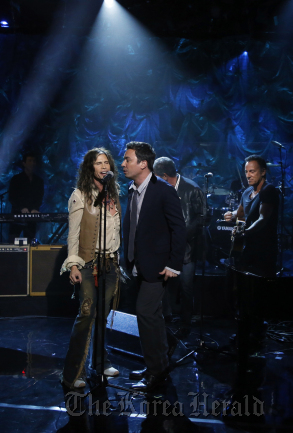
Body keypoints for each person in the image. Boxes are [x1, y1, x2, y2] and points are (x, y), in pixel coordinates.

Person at [121, 142, 186, 390]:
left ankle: (156, 370)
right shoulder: (132, 189)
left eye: (128, 160)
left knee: (146, 314)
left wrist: (173, 264)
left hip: (158, 267)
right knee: (153, 317)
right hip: (139, 264)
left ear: (143, 163)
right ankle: (157, 366)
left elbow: (178, 229)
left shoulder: (163, 190)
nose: (123, 164)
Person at [60, 148, 122, 390]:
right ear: (90, 168)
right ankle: (73, 372)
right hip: (87, 263)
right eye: (99, 163)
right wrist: (73, 263)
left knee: (101, 316)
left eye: (107, 162)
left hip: (110, 263)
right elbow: (73, 234)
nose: (104, 166)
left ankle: (100, 361)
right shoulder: (80, 195)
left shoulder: (113, 195)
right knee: (86, 315)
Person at [153, 157, 205, 337]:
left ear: (165, 176)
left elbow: (203, 217)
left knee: (186, 287)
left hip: (187, 249)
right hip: (165, 247)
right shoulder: (160, 189)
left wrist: (183, 235)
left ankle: (185, 323)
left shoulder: (193, 189)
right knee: (163, 284)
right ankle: (166, 318)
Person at [223, 155, 279, 276]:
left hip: (264, 249)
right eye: (246, 172)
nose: (248, 175)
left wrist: (246, 232)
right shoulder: (247, 191)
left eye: (252, 171)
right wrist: (230, 215)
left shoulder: (268, 190)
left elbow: (263, 218)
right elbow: (240, 214)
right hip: (247, 248)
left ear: (263, 172)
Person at [8, 152, 44, 243]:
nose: (32, 163)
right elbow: (12, 197)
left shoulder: (39, 181)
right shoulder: (16, 179)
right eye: (30, 161)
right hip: (17, 215)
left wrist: (35, 209)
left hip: (32, 216)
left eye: (34, 161)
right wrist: (21, 208)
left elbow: (39, 197)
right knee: (13, 241)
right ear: (24, 163)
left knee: (30, 241)